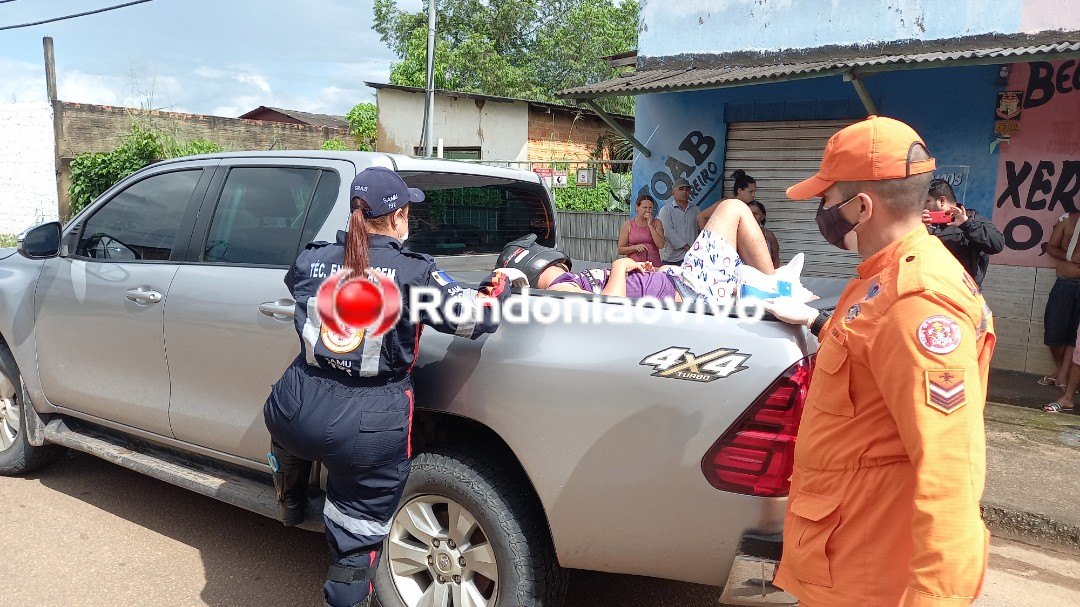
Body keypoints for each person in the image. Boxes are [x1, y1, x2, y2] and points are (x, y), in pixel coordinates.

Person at [764, 116, 996, 607]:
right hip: (843, 555)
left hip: (866, 576)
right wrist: (815, 321)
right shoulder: (882, 279)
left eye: (826, 200)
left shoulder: (918, 300)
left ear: (861, 206)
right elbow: (871, 353)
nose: (822, 213)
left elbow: (950, 471)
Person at [262, 167, 511, 607]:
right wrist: (501, 286)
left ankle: (290, 501)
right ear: (396, 217)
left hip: (295, 403)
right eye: (407, 212)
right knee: (356, 540)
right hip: (368, 424)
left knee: (288, 430)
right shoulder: (414, 273)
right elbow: (476, 319)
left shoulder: (311, 258)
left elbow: (300, 284)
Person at [502, 197, 776, 302]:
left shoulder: (570, 281)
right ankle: (776, 289)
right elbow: (607, 307)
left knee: (733, 211)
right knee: (734, 208)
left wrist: (652, 270)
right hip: (689, 290)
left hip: (678, 279)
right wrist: (621, 266)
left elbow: (660, 244)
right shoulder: (557, 291)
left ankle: (773, 285)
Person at [922, 178, 1004, 288]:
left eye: (927, 201)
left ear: (942, 201)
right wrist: (918, 228)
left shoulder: (972, 218)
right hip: (931, 291)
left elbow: (997, 244)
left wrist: (966, 224)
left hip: (964, 293)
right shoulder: (922, 224)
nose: (924, 207)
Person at [1040, 212, 1080, 391]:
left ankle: (1063, 375)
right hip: (1065, 283)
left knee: (1076, 335)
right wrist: (1070, 257)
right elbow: (1051, 247)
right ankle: (1059, 370)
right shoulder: (1068, 220)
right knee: (1054, 331)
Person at [656, 177, 700, 265]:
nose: (684, 192)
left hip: (692, 257)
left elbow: (700, 230)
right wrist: (686, 247)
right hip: (673, 258)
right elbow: (668, 232)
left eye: (687, 189)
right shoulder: (666, 210)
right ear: (673, 192)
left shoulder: (696, 210)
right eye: (681, 189)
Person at [617, 194, 665, 265]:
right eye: (645, 207)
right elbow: (620, 250)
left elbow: (660, 245)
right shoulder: (628, 225)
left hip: (653, 264)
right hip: (634, 264)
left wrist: (650, 226)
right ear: (637, 208)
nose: (648, 210)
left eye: (650, 208)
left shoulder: (657, 223)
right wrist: (635, 247)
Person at [748, 200, 781, 268]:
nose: (752, 216)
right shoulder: (738, 233)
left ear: (762, 216)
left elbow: (776, 258)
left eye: (756, 213)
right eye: (749, 213)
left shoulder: (769, 236)